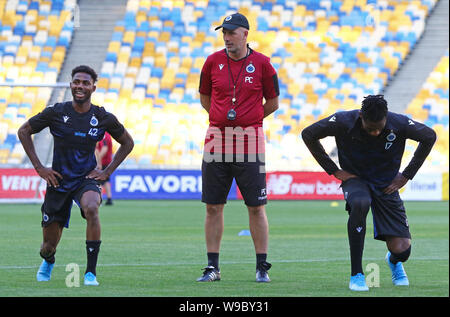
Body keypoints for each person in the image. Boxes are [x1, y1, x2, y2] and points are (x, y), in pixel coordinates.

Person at [301, 95, 436, 291]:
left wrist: (406, 175)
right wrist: (333, 169)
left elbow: (429, 136)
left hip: (386, 184)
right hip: (356, 180)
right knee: (360, 203)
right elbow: (308, 134)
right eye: (370, 128)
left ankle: (394, 261)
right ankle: (357, 274)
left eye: (379, 128)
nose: (375, 132)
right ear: (361, 116)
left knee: (402, 250)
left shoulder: (398, 123)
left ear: (386, 117)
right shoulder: (342, 121)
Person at [17, 65, 134, 286]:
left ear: (93, 87)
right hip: (58, 180)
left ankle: (90, 273)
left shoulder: (102, 116)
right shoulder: (56, 112)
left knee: (91, 208)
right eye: (76, 82)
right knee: (46, 247)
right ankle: (49, 261)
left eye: (85, 83)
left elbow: (128, 142)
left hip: (85, 179)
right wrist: (40, 168)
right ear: (71, 85)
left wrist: (107, 171)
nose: (80, 86)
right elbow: (23, 132)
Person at [197, 13, 279, 282]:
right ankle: (212, 267)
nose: (227, 37)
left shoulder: (263, 64)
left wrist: (249, 120)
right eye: (224, 32)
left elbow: (273, 103)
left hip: (249, 140)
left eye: (232, 32)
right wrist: (222, 120)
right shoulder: (212, 62)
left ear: (245, 34)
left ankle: (261, 266)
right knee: (213, 206)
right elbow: (205, 98)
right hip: (216, 139)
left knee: (256, 206)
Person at [95, 131, 114, 205]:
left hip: (103, 161)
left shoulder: (103, 135)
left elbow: (104, 149)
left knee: (98, 180)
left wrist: (98, 160)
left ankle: (99, 199)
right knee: (105, 181)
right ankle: (109, 198)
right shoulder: (108, 135)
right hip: (107, 161)